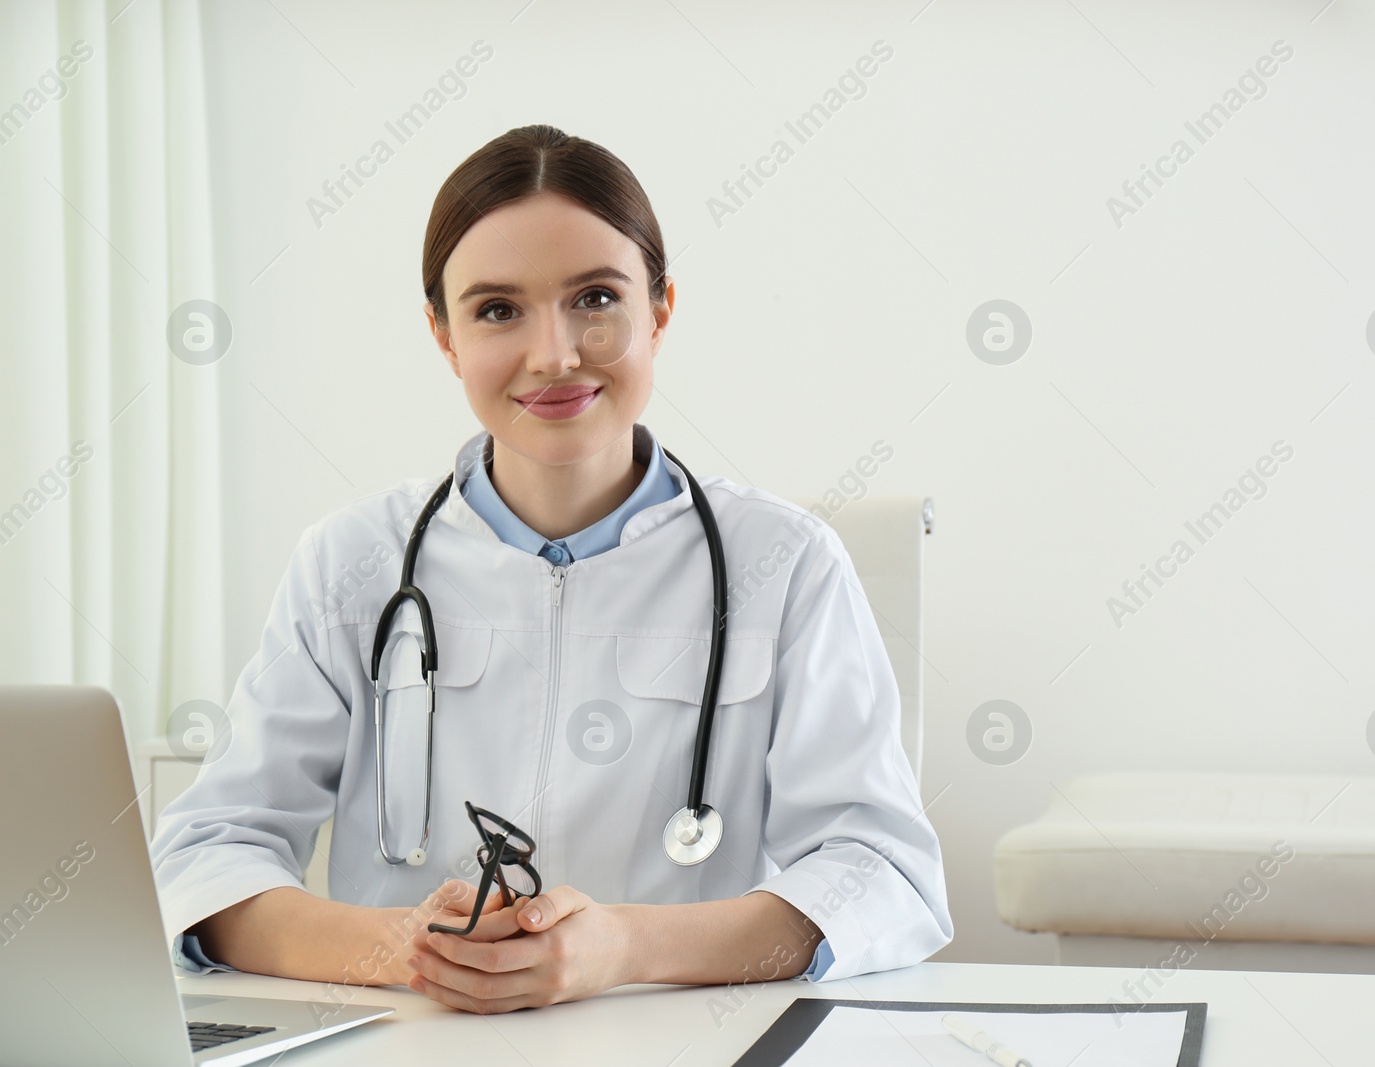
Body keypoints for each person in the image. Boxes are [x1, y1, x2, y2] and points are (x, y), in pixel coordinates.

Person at [150, 124, 952, 1014]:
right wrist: (399, 951)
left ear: (661, 310)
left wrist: (624, 946)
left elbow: (879, 875)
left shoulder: (789, 564)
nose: (555, 353)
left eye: (596, 298)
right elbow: (201, 858)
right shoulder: (350, 564)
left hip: (676, 1041)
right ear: (443, 335)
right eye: (497, 309)